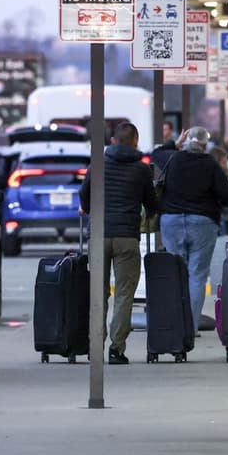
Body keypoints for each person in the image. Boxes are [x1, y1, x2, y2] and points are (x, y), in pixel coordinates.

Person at [78, 123, 161, 365]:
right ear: (136, 141)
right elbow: (152, 204)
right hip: (126, 237)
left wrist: (89, 208)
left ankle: (95, 346)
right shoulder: (142, 170)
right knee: (124, 294)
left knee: (98, 293)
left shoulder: (97, 165)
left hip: (98, 235)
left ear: (113, 141)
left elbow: (84, 194)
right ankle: (116, 349)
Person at [159, 127, 228, 329]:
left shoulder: (172, 158)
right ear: (205, 145)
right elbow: (227, 194)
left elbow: (156, 154)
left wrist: (174, 144)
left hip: (172, 221)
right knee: (197, 275)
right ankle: (190, 327)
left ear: (186, 142)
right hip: (202, 223)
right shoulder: (210, 164)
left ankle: (175, 325)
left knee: (176, 272)